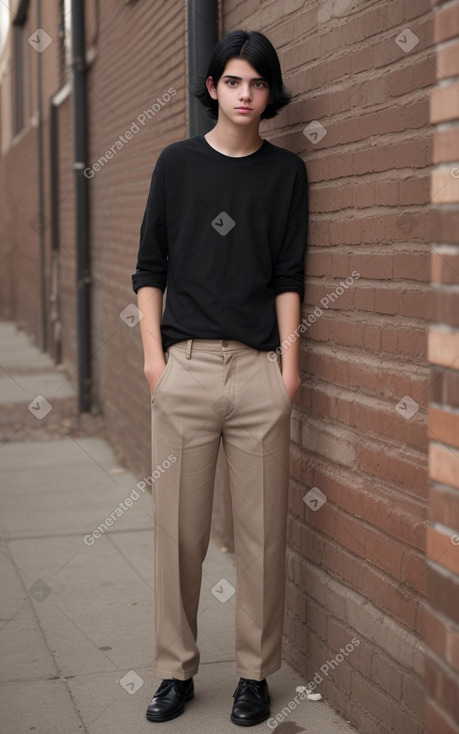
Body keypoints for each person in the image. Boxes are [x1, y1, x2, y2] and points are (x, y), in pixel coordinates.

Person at [132, 28, 308, 726]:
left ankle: (255, 675)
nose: (244, 94)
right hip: (187, 370)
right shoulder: (176, 165)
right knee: (179, 532)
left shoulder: (286, 174)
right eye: (233, 81)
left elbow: (289, 277)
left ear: (269, 93)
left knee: (263, 535)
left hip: (259, 374)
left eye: (257, 83)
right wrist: (154, 362)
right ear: (212, 88)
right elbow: (150, 270)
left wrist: (288, 371)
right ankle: (175, 670)